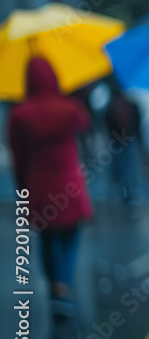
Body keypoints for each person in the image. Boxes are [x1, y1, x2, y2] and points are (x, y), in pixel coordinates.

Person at [8, 58, 93, 319]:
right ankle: (62, 285)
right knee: (70, 236)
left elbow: (17, 156)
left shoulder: (19, 116)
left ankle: (53, 286)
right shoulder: (69, 109)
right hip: (69, 185)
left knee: (46, 238)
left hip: (38, 186)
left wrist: (22, 188)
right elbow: (85, 125)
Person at [104, 85, 143, 204]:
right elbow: (137, 125)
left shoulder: (111, 106)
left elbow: (106, 123)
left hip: (116, 142)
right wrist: (140, 142)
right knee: (130, 170)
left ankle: (120, 192)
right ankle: (129, 194)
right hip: (130, 140)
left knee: (119, 168)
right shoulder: (132, 105)